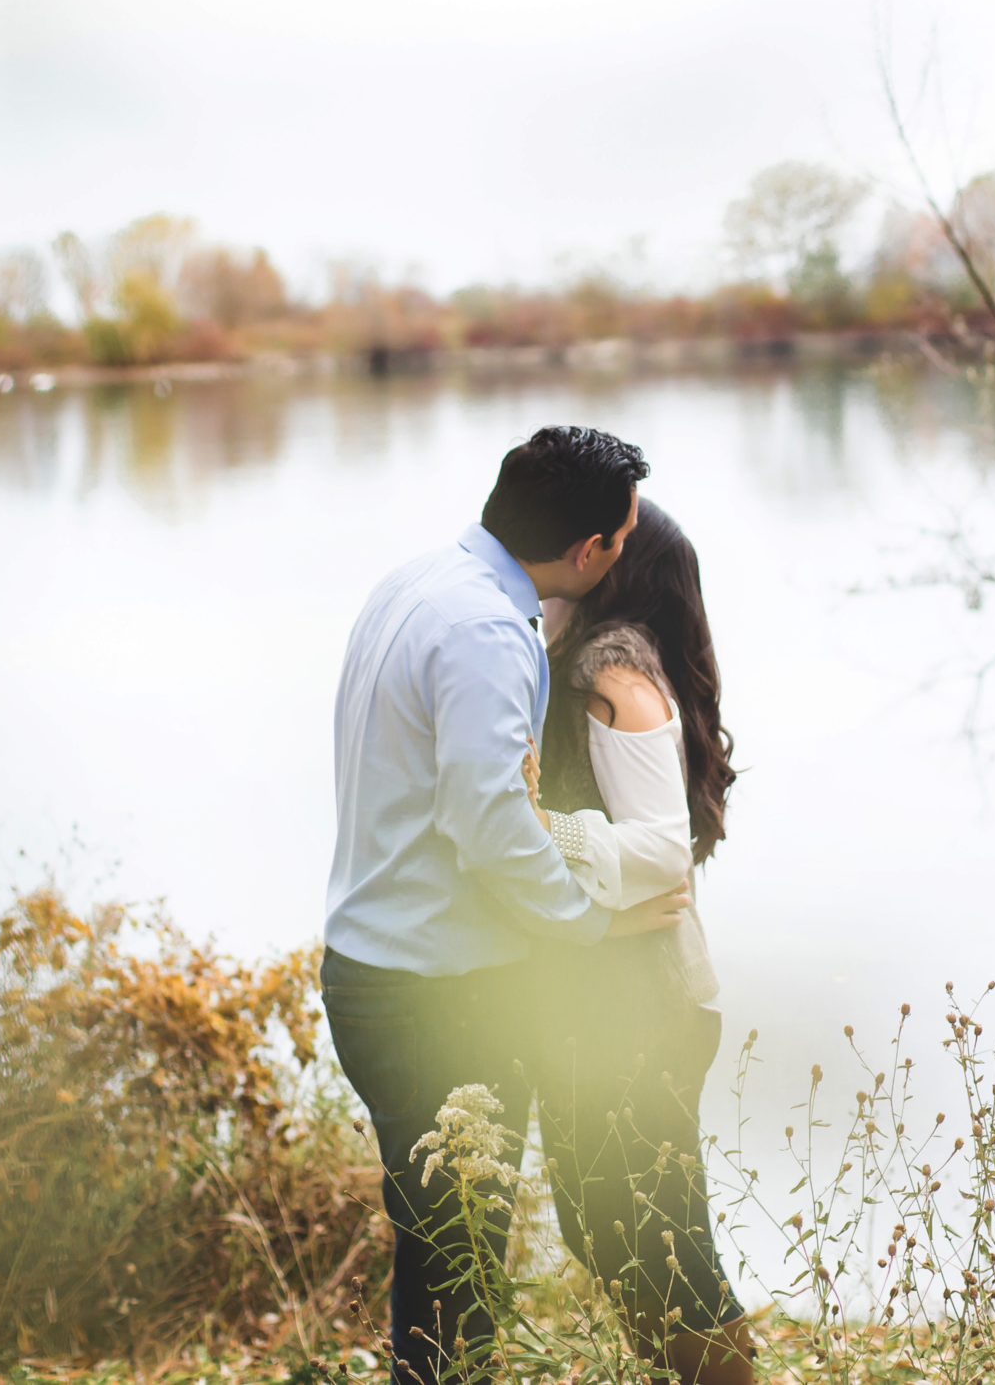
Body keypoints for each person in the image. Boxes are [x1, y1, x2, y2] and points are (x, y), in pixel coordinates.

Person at [322, 426, 688, 1385]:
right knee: (460, 1266)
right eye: (622, 535)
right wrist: (586, 924)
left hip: (374, 965)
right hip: (437, 992)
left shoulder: (420, 583)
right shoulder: (489, 632)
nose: (623, 551)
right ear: (588, 553)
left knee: (440, 1251)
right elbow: (487, 821)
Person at [528, 498, 752, 1385]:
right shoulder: (574, 655)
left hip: (646, 1005)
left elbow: (661, 853)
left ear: (618, 568)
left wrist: (541, 830)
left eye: (604, 543)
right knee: (605, 1229)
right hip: (607, 999)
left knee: (668, 1251)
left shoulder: (611, 671)